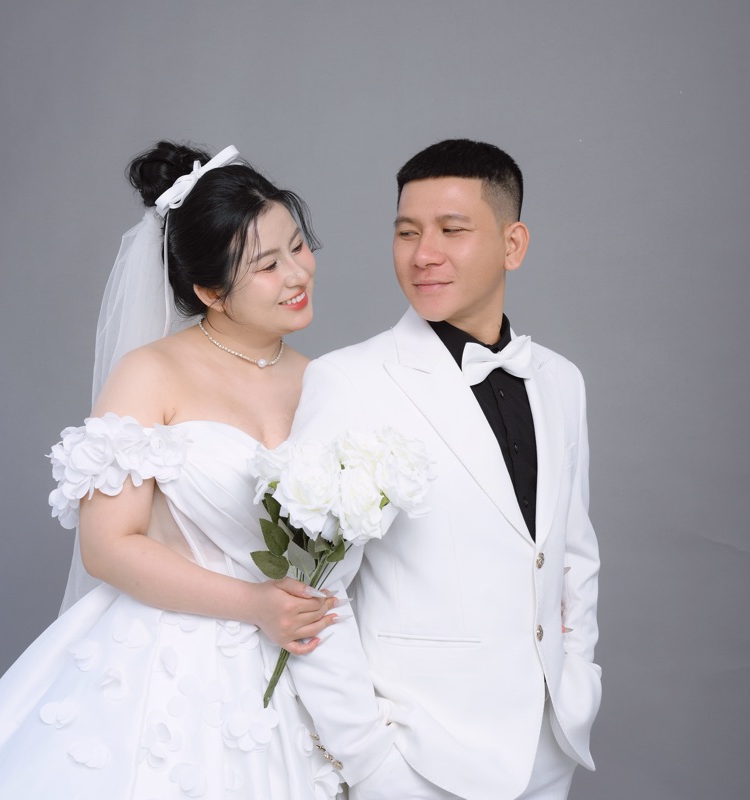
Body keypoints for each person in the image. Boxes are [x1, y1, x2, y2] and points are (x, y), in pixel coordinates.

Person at [0, 141, 345, 799]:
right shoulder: (151, 374)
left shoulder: (328, 380)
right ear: (209, 291)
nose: (297, 273)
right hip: (171, 656)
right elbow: (108, 546)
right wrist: (254, 605)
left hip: (301, 657)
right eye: (267, 265)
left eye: (299, 247)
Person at [287, 139, 602, 799]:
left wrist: (579, 683)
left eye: (451, 230)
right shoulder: (349, 380)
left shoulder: (562, 381)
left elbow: (572, 553)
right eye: (407, 232)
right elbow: (309, 594)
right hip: (418, 757)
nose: (422, 254)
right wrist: (371, 765)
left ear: (513, 245)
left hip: (549, 748)